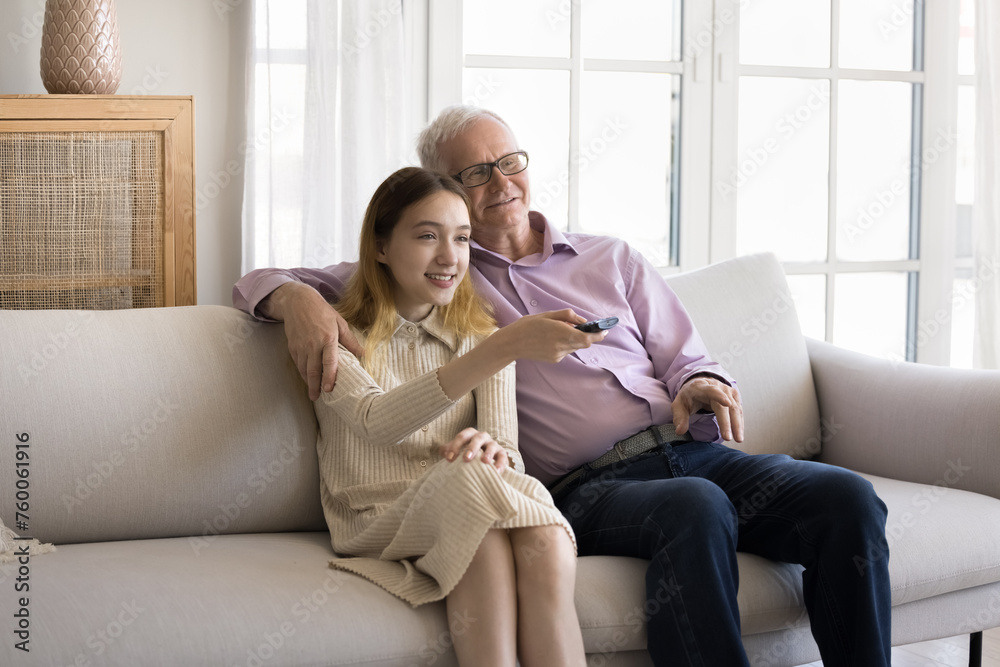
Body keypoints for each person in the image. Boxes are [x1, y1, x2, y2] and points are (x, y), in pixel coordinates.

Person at [234, 107, 892, 666]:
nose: (502, 181)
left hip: (692, 450)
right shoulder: (443, 272)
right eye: (477, 172)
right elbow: (258, 280)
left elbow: (687, 356)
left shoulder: (612, 258)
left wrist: (700, 380)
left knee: (848, 499)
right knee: (694, 507)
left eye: (509, 160)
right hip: (589, 486)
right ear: (446, 189)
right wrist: (296, 300)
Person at [306, 165, 595, 667]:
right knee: (472, 505)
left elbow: (509, 454)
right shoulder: (337, 337)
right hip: (378, 513)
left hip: (466, 502)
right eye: (426, 237)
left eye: (462, 239)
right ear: (379, 247)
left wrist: (493, 453)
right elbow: (378, 420)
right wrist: (502, 347)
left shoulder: (480, 336)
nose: (449, 258)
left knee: (541, 533)